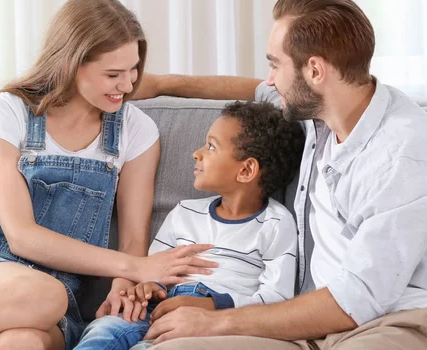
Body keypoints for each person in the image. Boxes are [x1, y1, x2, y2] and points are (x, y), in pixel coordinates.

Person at [134, 0, 427, 350]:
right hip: (317, 326)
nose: (270, 80)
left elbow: (358, 298)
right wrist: (162, 83)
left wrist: (214, 322)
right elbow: (254, 92)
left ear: (314, 70)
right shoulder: (320, 114)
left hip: (407, 320)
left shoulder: (407, 154)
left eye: (274, 65)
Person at [0, 0, 217, 350]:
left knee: (24, 342)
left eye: (134, 68)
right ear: (72, 63)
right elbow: (21, 237)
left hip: (56, 293)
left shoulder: (137, 130)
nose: (128, 85)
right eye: (112, 74)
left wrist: (122, 289)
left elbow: (133, 240)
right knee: (43, 295)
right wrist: (139, 269)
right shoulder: (8, 110)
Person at [74, 101, 305, 350]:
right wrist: (149, 287)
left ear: (247, 169)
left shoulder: (275, 224)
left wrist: (211, 305)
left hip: (212, 318)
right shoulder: (185, 212)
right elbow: (154, 267)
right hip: (157, 306)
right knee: (104, 330)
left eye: (211, 146)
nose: (197, 153)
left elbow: (277, 298)